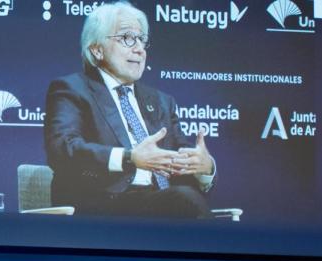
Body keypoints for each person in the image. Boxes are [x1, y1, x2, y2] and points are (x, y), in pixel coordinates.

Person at [44, 1, 217, 218]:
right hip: (102, 206)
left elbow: (182, 160)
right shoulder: (72, 89)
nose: (139, 49)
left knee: (186, 197)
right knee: (185, 200)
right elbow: (63, 149)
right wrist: (130, 158)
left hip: (161, 202)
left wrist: (204, 167)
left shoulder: (162, 101)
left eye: (142, 40)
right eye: (127, 38)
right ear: (97, 50)